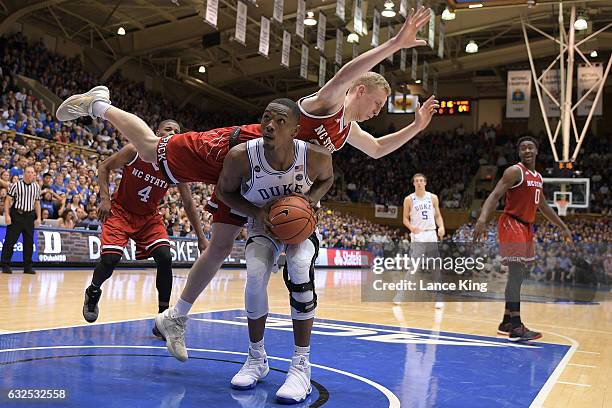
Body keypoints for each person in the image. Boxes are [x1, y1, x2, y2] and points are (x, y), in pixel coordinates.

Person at [55, 6, 438, 357]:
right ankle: (99, 104)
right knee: (154, 148)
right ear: (360, 90)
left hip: (264, 184)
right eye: (376, 103)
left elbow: (375, 149)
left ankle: (175, 317)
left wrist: (416, 127)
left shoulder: (345, 129)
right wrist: (395, 43)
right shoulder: (330, 103)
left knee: (221, 247)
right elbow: (343, 73)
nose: (377, 112)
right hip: (242, 152)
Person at [213, 98, 333, 403]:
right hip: (263, 225)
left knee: (300, 269)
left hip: (298, 226)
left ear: (295, 129)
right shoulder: (241, 156)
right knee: (254, 274)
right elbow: (223, 192)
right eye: (266, 118)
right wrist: (257, 213)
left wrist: (310, 202)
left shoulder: (315, 156)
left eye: (280, 121)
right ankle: (257, 358)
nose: (270, 125)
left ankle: (301, 365)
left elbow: (328, 178)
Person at [81, 120, 207, 341]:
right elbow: (104, 167)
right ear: (157, 132)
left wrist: (201, 236)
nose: (173, 133)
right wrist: (104, 198)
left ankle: (163, 318)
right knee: (110, 259)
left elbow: (188, 203)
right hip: (120, 212)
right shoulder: (136, 150)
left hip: (148, 218)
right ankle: (93, 291)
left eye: (177, 132)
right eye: (168, 129)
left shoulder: (176, 166)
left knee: (165, 256)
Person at [473, 136, 572, 342]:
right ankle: (516, 327)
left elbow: (543, 206)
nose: (527, 150)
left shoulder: (537, 177)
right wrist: (482, 218)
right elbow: (494, 195)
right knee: (516, 274)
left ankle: (506, 321)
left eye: (530, 147)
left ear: (536, 151)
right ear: (519, 153)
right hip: (512, 222)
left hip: (526, 227)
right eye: (523, 148)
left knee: (518, 275)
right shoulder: (514, 171)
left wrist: (563, 226)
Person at [401, 173, 445, 308]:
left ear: (425, 183)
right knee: (414, 267)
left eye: (421, 181)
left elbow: (438, 215)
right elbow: (405, 219)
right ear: (413, 183)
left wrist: (441, 226)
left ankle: (439, 296)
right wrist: (411, 227)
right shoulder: (409, 199)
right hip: (418, 235)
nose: (419, 183)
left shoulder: (433, 197)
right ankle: (401, 294)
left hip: (431, 233)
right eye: (416, 181)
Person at [1, 166, 41, 274]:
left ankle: (27, 267)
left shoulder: (36, 187)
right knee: (10, 240)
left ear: (34, 175)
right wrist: (7, 216)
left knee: (29, 242)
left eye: (32, 172)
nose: (30, 174)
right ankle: (5, 264)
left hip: (29, 216)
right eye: (28, 172)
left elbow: (37, 203)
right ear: (24, 174)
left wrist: (38, 217)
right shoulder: (16, 185)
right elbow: (8, 201)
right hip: (17, 215)